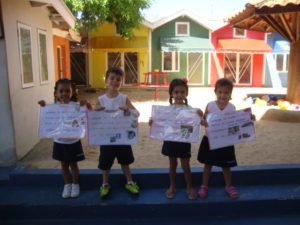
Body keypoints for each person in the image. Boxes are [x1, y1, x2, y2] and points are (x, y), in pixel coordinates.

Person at [150, 78, 203, 200]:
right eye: (176, 92)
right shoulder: (166, 111)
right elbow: (161, 124)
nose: (179, 95)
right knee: (172, 164)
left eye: (182, 92)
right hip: (170, 140)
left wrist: (200, 115)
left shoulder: (191, 110)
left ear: (186, 94)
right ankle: (172, 186)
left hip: (184, 140)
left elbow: (198, 123)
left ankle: (189, 187)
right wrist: (153, 121)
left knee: (185, 165)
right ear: (171, 94)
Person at [38, 78, 91, 198]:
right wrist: (43, 106)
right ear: (56, 93)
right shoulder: (52, 108)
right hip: (59, 142)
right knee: (63, 165)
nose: (64, 94)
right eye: (61, 91)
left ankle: (76, 184)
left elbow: (87, 113)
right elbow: (47, 116)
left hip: (73, 141)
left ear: (72, 92)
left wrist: (86, 104)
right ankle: (67, 184)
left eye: (67, 91)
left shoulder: (76, 106)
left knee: (74, 165)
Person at [96, 67, 140, 199]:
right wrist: (96, 110)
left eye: (118, 79)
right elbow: (93, 117)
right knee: (106, 163)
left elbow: (137, 113)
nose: (115, 81)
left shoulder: (124, 98)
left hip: (122, 138)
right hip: (106, 138)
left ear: (121, 82)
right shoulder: (101, 99)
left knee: (125, 162)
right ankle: (105, 184)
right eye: (112, 78)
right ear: (106, 80)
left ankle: (129, 182)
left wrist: (128, 110)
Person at [197, 78, 240, 199]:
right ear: (215, 92)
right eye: (220, 92)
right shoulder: (210, 105)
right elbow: (204, 119)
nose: (223, 95)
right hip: (210, 140)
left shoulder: (232, 108)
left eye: (226, 92)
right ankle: (204, 186)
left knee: (226, 166)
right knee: (207, 165)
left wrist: (248, 119)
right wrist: (203, 121)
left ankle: (229, 186)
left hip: (225, 142)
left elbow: (234, 125)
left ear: (230, 94)